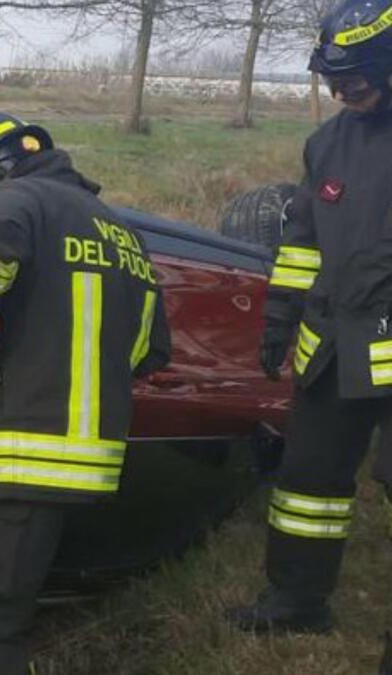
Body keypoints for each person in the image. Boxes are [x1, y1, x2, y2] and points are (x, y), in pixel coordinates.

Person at [0, 112, 171, 675]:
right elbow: (150, 350)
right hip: (90, 459)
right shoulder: (120, 231)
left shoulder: (15, 200)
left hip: (20, 452)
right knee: (12, 602)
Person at [227, 0, 392, 636]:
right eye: (331, 81)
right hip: (333, 342)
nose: (340, 94)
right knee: (307, 482)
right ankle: (297, 600)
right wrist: (279, 318)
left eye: (352, 81)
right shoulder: (327, 143)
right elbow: (301, 244)